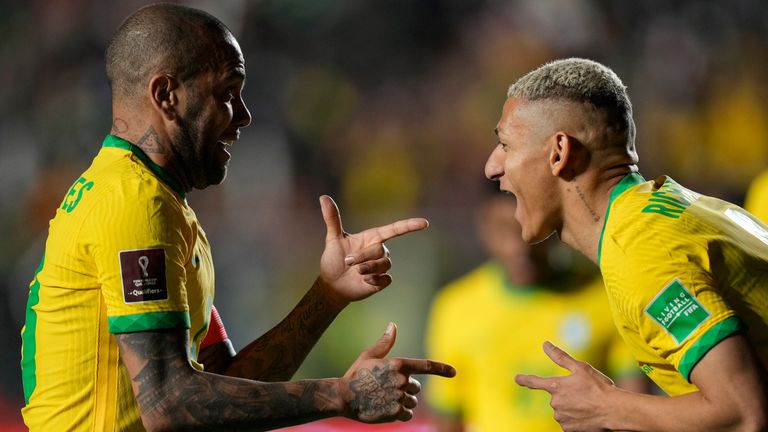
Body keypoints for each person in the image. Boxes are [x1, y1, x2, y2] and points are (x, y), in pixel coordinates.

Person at [20, 4, 455, 431]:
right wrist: (341, 395)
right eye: (227, 94)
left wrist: (326, 295)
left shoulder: (162, 206)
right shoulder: (132, 203)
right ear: (166, 95)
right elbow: (168, 403)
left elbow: (226, 384)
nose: (244, 116)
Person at [484, 58, 768, 431]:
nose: (493, 167)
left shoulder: (639, 252)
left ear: (559, 153)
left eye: (505, 144)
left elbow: (744, 414)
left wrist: (607, 407)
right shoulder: (672, 206)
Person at [425, 191, 646, 432]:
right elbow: (449, 414)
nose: (520, 248)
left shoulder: (604, 295)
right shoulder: (455, 307)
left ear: (553, 223)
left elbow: (634, 405)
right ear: (485, 227)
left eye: (529, 230)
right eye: (504, 230)